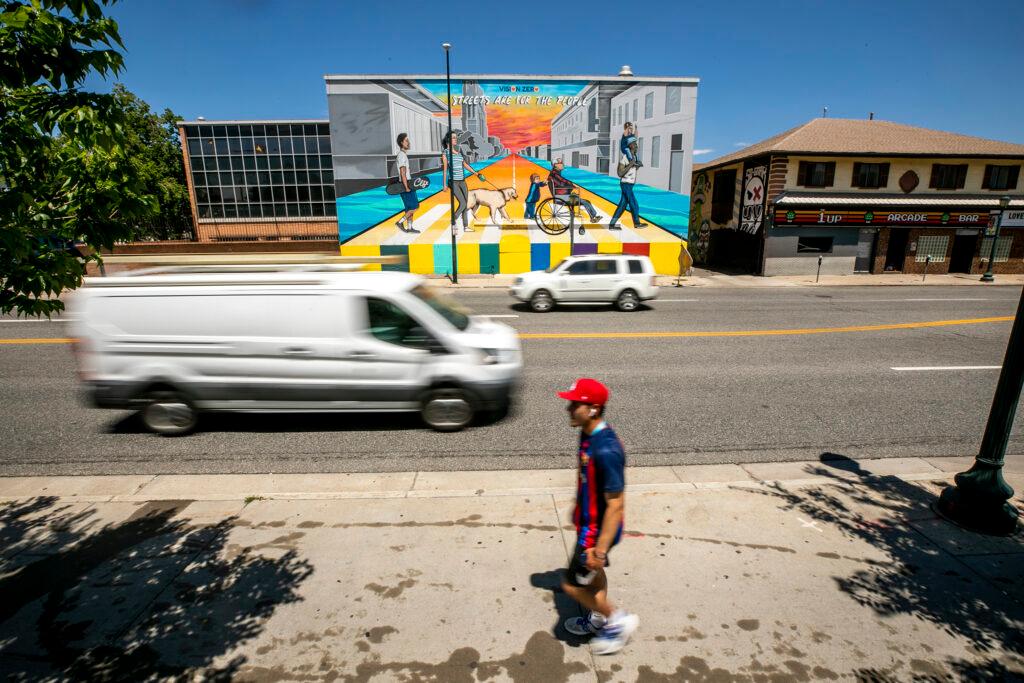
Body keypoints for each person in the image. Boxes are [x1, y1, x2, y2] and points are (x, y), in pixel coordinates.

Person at [557, 378, 639, 655]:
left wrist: (599, 550)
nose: (568, 409)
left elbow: (616, 504)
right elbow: (587, 479)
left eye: (574, 404)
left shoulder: (606, 450)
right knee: (593, 576)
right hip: (588, 525)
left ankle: (617, 620)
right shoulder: (588, 433)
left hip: (594, 535)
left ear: (592, 409)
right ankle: (598, 618)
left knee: (570, 586)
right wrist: (578, 506)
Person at [609, 122, 648, 230]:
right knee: (634, 203)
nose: (637, 146)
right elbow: (620, 173)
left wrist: (637, 166)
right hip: (625, 184)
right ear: (630, 146)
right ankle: (637, 223)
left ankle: (612, 225)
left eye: (636, 144)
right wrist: (631, 164)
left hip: (629, 184)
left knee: (622, 206)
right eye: (635, 144)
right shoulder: (626, 158)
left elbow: (631, 169)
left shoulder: (634, 157)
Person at [442, 131, 479, 233]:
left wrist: (476, 173)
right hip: (453, 182)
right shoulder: (445, 153)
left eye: (456, 137)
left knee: (465, 203)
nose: (455, 139)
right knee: (462, 203)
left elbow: (465, 165)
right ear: (448, 140)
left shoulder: (458, 152)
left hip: (462, 180)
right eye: (453, 138)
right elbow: (445, 170)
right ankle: (453, 220)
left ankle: (465, 226)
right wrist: (444, 185)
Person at [548, 159, 600, 224]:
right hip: (562, 197)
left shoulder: (555, 173)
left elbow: (563, 182)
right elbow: (562, 183)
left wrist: (570, 185)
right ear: (555, 165)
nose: (562, 164)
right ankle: (593, 217)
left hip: (563, 195)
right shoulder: (555, 174)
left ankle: (593, 216)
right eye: (560, 163)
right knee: (585, 202)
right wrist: (571, 185)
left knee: (586, 201)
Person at [395, 133, 420, 233]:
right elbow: (403, 172)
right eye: (406, 140)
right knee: (415, 207)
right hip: (405, 184)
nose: (408, 142)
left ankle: (409, 228)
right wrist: (406, 187)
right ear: (401, 142)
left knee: (409, 208)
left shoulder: (403, 155)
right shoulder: (401, 155)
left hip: (407, 184)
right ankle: (400, 222)